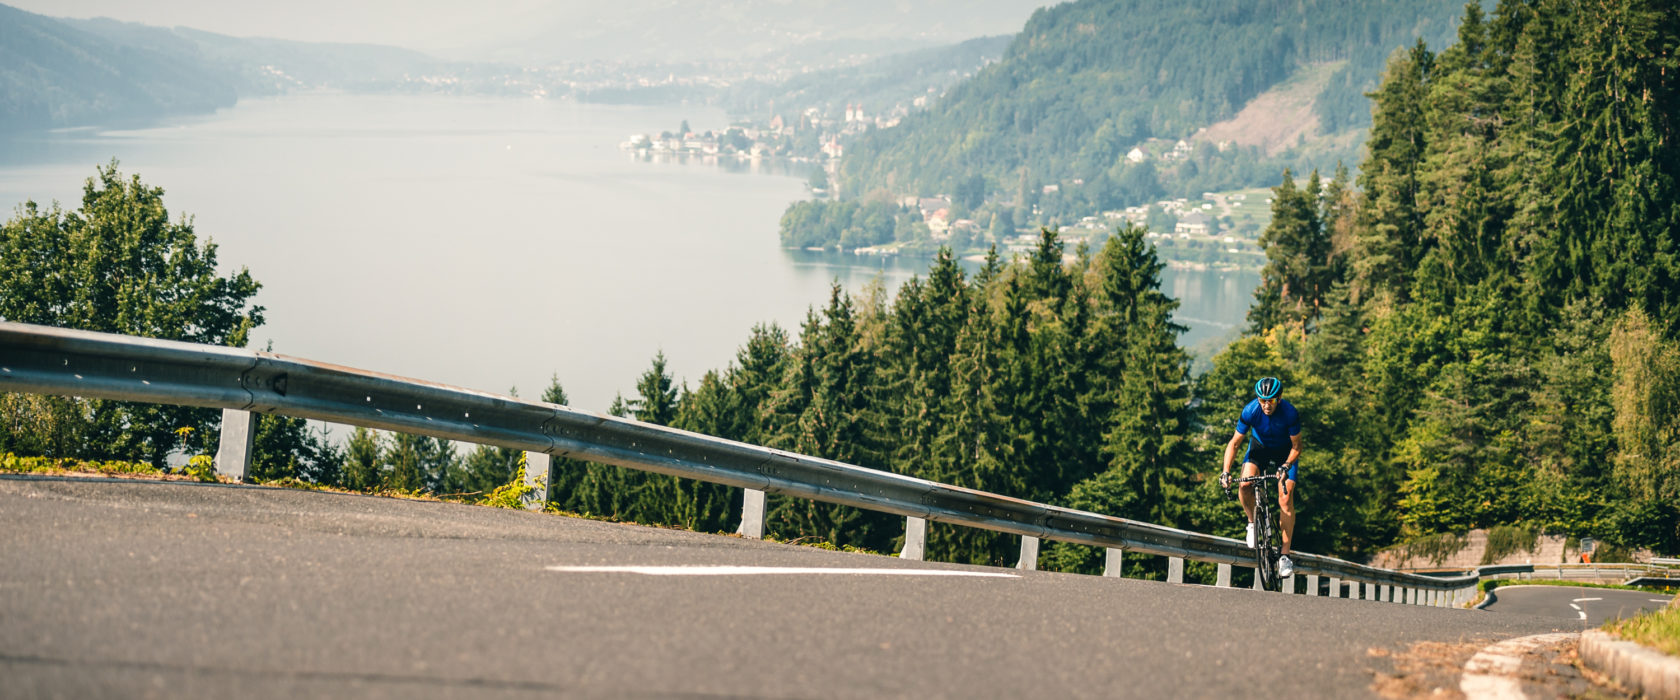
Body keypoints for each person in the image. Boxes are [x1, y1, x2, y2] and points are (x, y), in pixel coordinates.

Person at [1219, 376, 1302, 578]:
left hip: (1285, 454)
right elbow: (1235, 443)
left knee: (1285, 496)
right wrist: (1226, 471)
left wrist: (1286, 465)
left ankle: (1284, 556)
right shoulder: (1250, 411)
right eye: (1262, 400)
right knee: (1245, 484)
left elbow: (1297, 447)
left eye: (1271, 400)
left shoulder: (1290, 413)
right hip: (1259, 449)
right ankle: (1251, 523)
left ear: (1279, 399)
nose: (1266, 405)